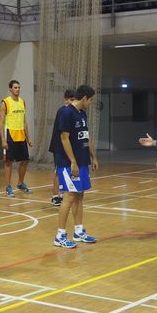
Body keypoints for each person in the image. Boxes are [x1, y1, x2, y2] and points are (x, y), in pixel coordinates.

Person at [53, 85, 99, 248]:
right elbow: (64, 139)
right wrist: (72, 161)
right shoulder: (67, 112)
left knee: (80, 195)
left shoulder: (82, 113)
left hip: (82, 161)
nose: (91, 103)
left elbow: (85, 136)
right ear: (85, 98)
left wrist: (93, 157)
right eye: (91, 100)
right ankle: (60, 235)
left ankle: (79, 231)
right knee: (70, 196)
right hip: (68, 163)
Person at [0, 79, 33, 196]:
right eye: (15, 87)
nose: (17, 89)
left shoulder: (22, 102)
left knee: (25, 160)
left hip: (21, 135)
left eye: (18, 87)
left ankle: (20, 183)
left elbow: (24, 121)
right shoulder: (5, 103)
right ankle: (8, 187)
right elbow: (1, 123)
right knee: (9, 162)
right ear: (10, 89)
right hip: (10, 135)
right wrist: (3, 139)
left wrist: (28, 138)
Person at [48, 88, 75, 206]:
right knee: (58, 172)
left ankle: (63, 193)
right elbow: (62, 134)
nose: (72, 102)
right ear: (66, 99)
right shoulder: (62, 111)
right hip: (59, 147)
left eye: (74, 100)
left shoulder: (71, 112)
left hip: (66, 147)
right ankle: (55, 196)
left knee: (66, 172)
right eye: (71, 99)